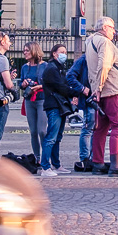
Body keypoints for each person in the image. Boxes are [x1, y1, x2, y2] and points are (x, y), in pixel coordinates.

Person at [87, 17, 118, 176]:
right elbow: (104, 65)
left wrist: (96, 89)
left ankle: (98, 163)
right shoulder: (105, 42)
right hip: (113, 89)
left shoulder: (90, 42)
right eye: (112, 28)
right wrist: (99, 88)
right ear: (105, 28)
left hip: (100, 91)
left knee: (101, 128)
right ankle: (115, 166)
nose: (114, 32)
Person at [38, 45, 72, 176]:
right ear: (54, 53)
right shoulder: (52, 68)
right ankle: (45, 167)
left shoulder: (58, 68)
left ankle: (56, 165)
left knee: (57, 137)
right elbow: (61, 87)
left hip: (59, 105)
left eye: (65, 52)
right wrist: (77, 92)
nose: (64, 54)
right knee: (51, 137)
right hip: (54, 105)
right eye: (61, 52)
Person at [66, 51, 95, 170]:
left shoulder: (92, 59)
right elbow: (70, 76)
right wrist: (82, 88)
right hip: (89, 98)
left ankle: (93, 158)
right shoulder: (84, 60)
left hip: (95, 97)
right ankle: (86, 158)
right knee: (88, 128)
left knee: (94, 129)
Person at [19, 42, 47, 155]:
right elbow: (21, 84)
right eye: (24, 50)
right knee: (33, 131)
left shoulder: (45, 66)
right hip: (29, 100)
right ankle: (37, 157)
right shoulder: (25, 67)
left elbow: (50, 83)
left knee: (42, 131)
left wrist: (40, 86)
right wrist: (24, 84)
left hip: (42, 99)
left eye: (27, 50)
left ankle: (45, 156)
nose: (24, 52)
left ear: (34, 51)